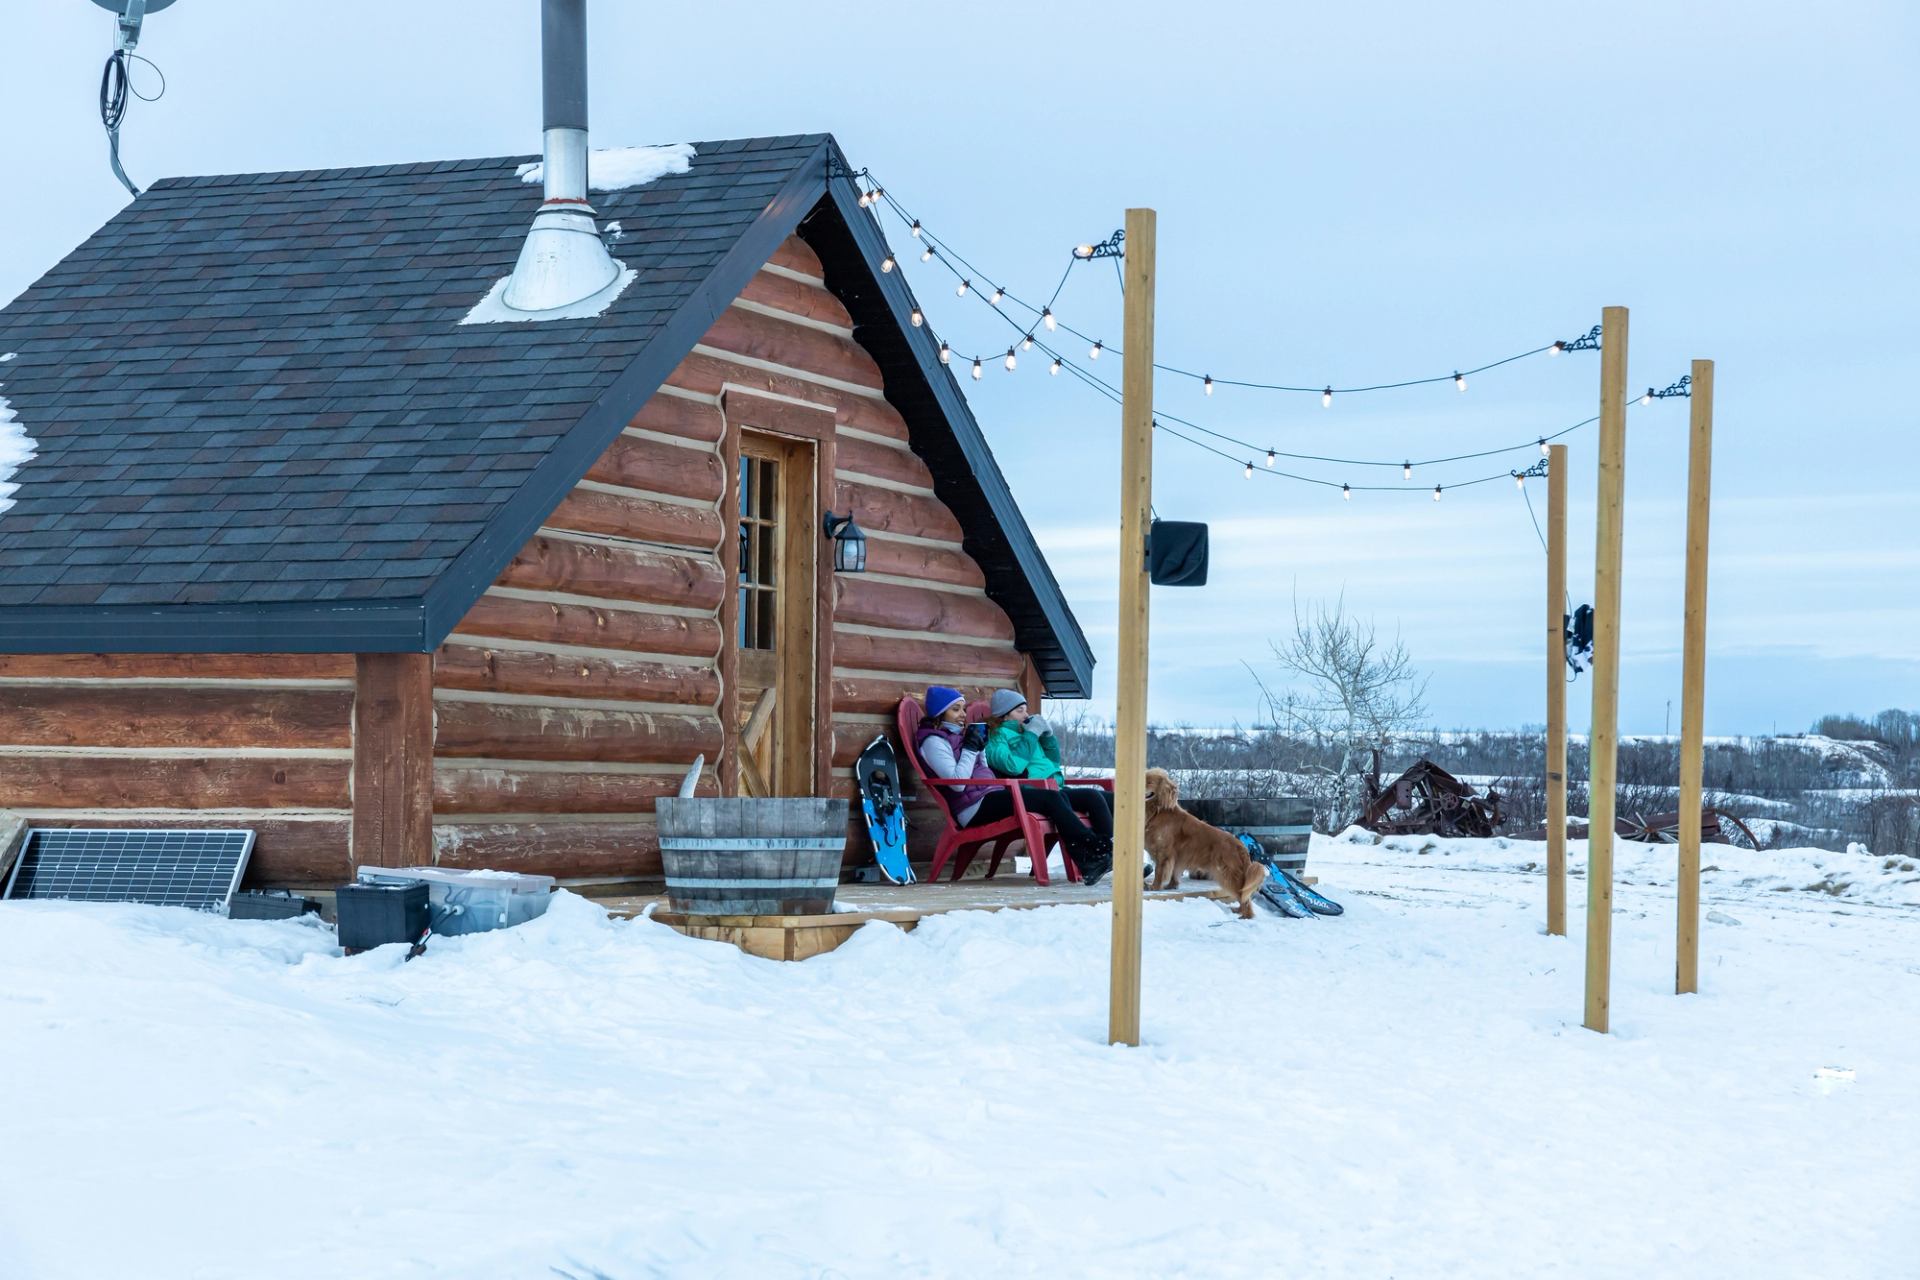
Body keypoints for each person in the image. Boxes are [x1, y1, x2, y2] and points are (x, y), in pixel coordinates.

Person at [912, 685, 1113, 886]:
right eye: (955, 709)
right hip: (971, 808)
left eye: (963, 709)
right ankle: (1090, 854)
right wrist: (971, 749)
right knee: (1050, 798)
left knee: (1057, 796)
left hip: (989, 794)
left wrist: (979, 748)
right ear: (939, 713)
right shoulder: (933, 742)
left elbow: (983, 769)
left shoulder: (958, 736)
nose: (963, 714)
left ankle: (1092, 855)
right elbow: (957, 784)